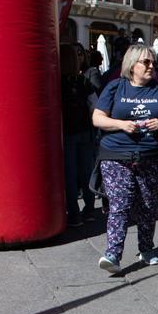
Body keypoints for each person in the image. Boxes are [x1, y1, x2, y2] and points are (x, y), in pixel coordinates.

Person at [92, 44, 158, 273]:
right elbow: (98, 118)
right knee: (120, 204)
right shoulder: (116, 87)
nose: (151, 66)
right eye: (145, 62)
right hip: (116, 154)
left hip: (152, 156)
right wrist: (121, 125)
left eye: (152, 62)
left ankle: (146, 247)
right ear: (132, 65)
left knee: (147, 204)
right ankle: (113, 254)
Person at [60, 43, 97, 227]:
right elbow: (94, 105)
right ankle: (89, 209)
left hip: (66, 133)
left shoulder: (56, 82)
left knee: (70, 174)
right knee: (86, 172)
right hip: (85, 132)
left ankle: (74, 213)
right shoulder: (83, 81)